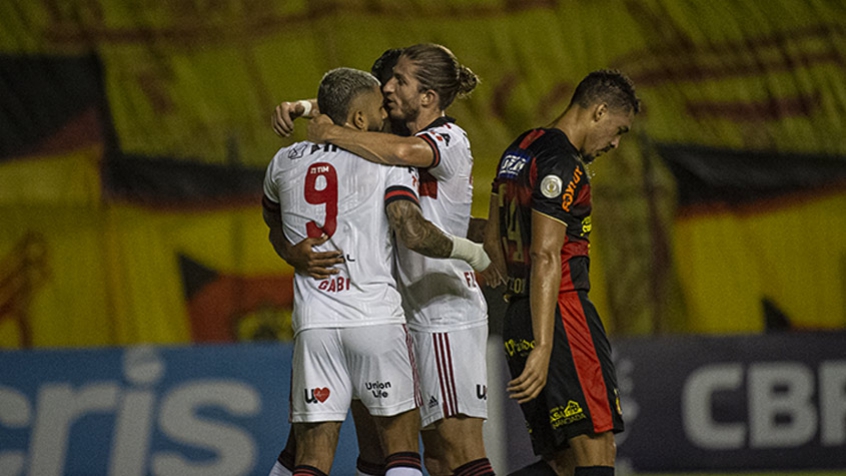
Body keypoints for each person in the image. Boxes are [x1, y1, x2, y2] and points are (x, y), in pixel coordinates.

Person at [272, 44, 497, 476]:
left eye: (400, 82)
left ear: (429, 97)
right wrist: (300, 106)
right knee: (426, 456)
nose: (388, 89)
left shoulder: (446, 139)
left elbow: (397, 151)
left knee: (458, 449)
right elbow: (348, 105)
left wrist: (331, 134)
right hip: (397, 311)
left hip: (441, 310)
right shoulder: (388, 132)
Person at [482, 69, 640, 476]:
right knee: (597, 449)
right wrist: (544, 344)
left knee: (563, 462)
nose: (615, 143)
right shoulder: (563, 163)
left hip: (518, 313)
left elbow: (492, 243)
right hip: (559, 314)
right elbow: (547, 254)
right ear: (599, 110)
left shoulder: (520, 147)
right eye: (617, 129)